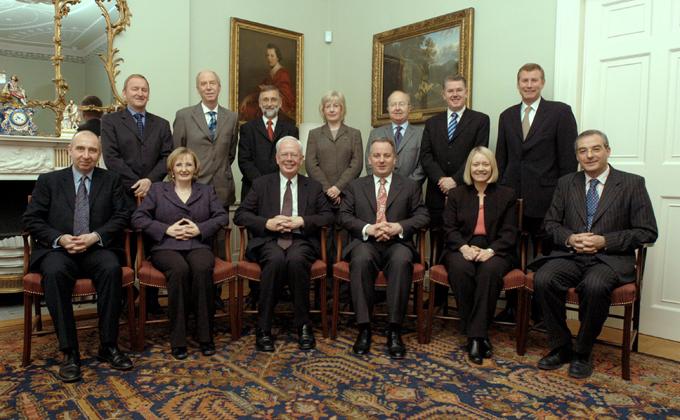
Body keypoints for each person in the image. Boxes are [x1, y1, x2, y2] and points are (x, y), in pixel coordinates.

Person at [530, 130, 657, 379]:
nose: (589, 155)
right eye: (582, 151)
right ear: (577, 155)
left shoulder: (632, 183)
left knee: (595, 286)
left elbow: (647, 231)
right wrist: (569, 238)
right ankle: (561, 346)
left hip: (609, 259)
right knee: (543, 278)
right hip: (570, 256)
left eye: (595, 149)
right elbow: (551, 224)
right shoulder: (566, 183)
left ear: (608, 150)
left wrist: (604, 241)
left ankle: (583, 351)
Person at [22, 130, 133, 383]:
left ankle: (108, 346)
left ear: (99, 154)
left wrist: (95, 236)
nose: (86, 155)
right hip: (58, 250)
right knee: (54, 272)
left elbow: (122, 216)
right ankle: (70, 352)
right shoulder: (49, 180)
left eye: (92, 150)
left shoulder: (111, 180)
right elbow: (31, 218)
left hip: (97, 248)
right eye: (81, 149)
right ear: (70, 150)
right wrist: (60, 238)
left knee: (111, 268)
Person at [495, 63, 578, 323]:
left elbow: (567, 160)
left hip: (547, 199)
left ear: (542, 83)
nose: (529, 85)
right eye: (524, 80)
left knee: (547, 254)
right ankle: (512, 307)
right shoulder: (506, 115)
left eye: (534, 80)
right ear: (517, 83)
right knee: (510, 251)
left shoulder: (560, 112)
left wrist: (563, 199)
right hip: (512, 198)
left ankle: (544, 311)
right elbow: (501, 157)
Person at [234, 137, 333, 352]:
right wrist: (266, 223)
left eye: (294, 155)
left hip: (301, 240)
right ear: (277, 158)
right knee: (276, 259)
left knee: (297, 260)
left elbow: (328, 216)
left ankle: (304, 325)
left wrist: (303, 221)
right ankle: (264, 327)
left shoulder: (313, 186)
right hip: (269, 240)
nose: (289, 159)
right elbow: (240, 215)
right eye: (285, 155)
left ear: (302, 159)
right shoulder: (261, 184)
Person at [131, 147, 228, 360]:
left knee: (202, 269)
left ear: (195, 169)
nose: (184, 169)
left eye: (188, 164)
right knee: (179, 270)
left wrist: (199, 228)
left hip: (198, 245)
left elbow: (222, 217)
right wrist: (166, 229)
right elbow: (138, 219)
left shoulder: (206, 190)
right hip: (165, 247)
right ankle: (179, 339)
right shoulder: (157, 190)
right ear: (172, 169)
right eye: (179, 164)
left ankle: (205, 336)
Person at [339, 137, 430, 359]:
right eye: (377, 156)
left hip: (397, 243)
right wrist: (368, 228)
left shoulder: (409, 186)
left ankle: (394, 329)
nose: (381, 160)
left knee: (401, 261)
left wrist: (399, 226)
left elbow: (423, 215)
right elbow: (343, 216)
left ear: (395, 159)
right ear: (369, 160)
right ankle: (364, 328)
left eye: (386, 156)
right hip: (365, 243)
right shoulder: (355, 185)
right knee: (360, 260)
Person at [101, 73, 173, 314]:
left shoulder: (161, 124)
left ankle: (151, 300)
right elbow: (111, 158)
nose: (140, 93)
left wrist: (150, 181)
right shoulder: (110, 122)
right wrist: (137, 183)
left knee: (154, 245)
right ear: (125, 93)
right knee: (124, 248)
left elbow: (167, 157)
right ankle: (124, 301)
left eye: (144, 89)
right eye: (135, 89)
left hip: (155, 197)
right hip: (122, 196)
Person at [441, 147, 518, 365]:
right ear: (469, 168)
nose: (481, 169)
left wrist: (490, 251)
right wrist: (464, 248)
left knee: (490, 271)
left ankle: (475, 335)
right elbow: (448, 228)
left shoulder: (507, 194)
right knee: (460, 269)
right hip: (461, 246)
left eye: (485, 164)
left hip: (496, 248)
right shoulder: (456, 194)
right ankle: (478, 334)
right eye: (476, 164)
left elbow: (510, 232)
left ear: (492, 167)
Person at [419, 75, 489, 306]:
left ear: (466, 92)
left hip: (466, 193)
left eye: (459, 90)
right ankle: (437, 298)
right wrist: (441, 179)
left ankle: (464, 298)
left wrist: (455, 180)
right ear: (444, 94)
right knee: (439, 239)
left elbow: (479, 154)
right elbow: (426, 156)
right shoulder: (432, 123)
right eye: (450, 91)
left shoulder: (480, 120)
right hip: (436, 193)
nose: (455, 94)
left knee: (463, 239)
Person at [173, 69, 239, 310]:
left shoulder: (232, 117)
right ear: (198, 88)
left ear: (219, 87)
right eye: (204, 84)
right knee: (191, 239)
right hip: (191, 189)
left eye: (213, 83)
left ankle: (214, 296)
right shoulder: (184, 116)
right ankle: (191, 296)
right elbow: (177, 153)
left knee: (218, 242)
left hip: (221, 188)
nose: (209, 87)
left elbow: (230, 153)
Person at [238, 85, 298, 202]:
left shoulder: (291, 129)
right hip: (252, 188)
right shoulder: (247, 129)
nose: (269, 104)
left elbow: (292, 160)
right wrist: (262, 184)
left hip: (282, 189)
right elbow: (244, 161)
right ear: (260, 104)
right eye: (265, 100)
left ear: (280, 103)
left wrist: (276, 183)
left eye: (273, 99)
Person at [305, 90, 363, 207]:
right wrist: (328, 189)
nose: (332, 110)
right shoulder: (314, 134)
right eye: (328, 106)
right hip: (321, 194)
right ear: (323, 110)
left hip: (347, 193)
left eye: (336, 106)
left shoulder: (354, 134)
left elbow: (357, 164)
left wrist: (338, 188)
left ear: (342, 109)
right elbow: (311, 164)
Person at [366, 90, 425, 184]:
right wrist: (382, 184)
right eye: (393, 105)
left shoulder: (421, 134)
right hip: (381, 190)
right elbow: (370, 165)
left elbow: (422, 167)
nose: (397, 108)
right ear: (388, 109)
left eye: (401, 104)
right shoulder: (376, 133)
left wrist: (407, 187)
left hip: (410, 191)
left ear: (409, 108)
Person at [239, 43, 295, 121]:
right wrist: (248, 98)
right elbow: (260, 90)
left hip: (281, 106)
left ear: (278, 57)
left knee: (254, 110)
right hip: (268, 102)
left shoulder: (283, 74)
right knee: (247, 107)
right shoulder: (270, 74)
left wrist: (268, 89)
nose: (269, 58)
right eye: (267, 55)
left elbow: (286, 96)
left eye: (272, 56)